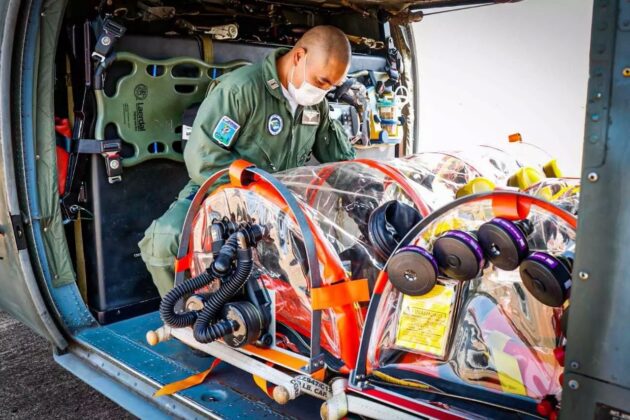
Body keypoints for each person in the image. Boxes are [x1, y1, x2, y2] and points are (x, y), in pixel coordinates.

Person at [139, 25, 356, 296]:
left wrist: (368, 196)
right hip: (223, 191)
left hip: (285, 203)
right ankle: (189, 312)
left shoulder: (316, 104)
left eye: (332, 86)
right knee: (164, 240)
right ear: (299, 56)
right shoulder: (241, 89)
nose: (323, 91)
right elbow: (203, 158)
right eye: (322, 81)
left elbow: (341, 160)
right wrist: (254, 195)